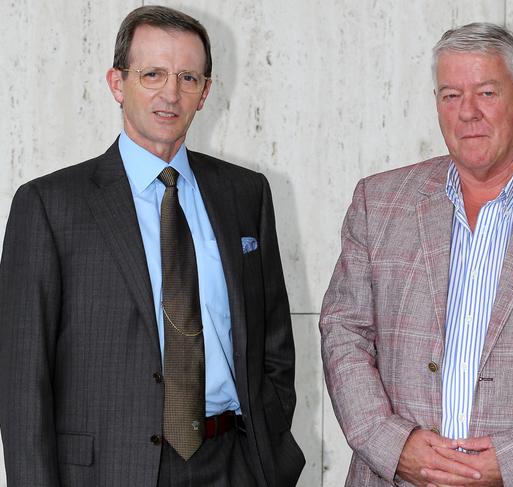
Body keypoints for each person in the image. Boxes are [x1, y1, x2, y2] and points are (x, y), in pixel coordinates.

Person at [319, 22, 513, 487]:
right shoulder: (379, 202)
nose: (467, 112)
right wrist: (392, 444)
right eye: (451, 95)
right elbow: (343, 332)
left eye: (487, 92)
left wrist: (512, 463)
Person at [0, 6, 304, 487]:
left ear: (205, 92)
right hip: (107, 472)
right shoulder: (49, 206)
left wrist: (263, 447)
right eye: (152, 74)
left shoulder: (246, 194)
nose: (171, 93)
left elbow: (274, 344)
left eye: (188, 76)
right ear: (117, 83)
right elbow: (22, 384)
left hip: (233, 464)